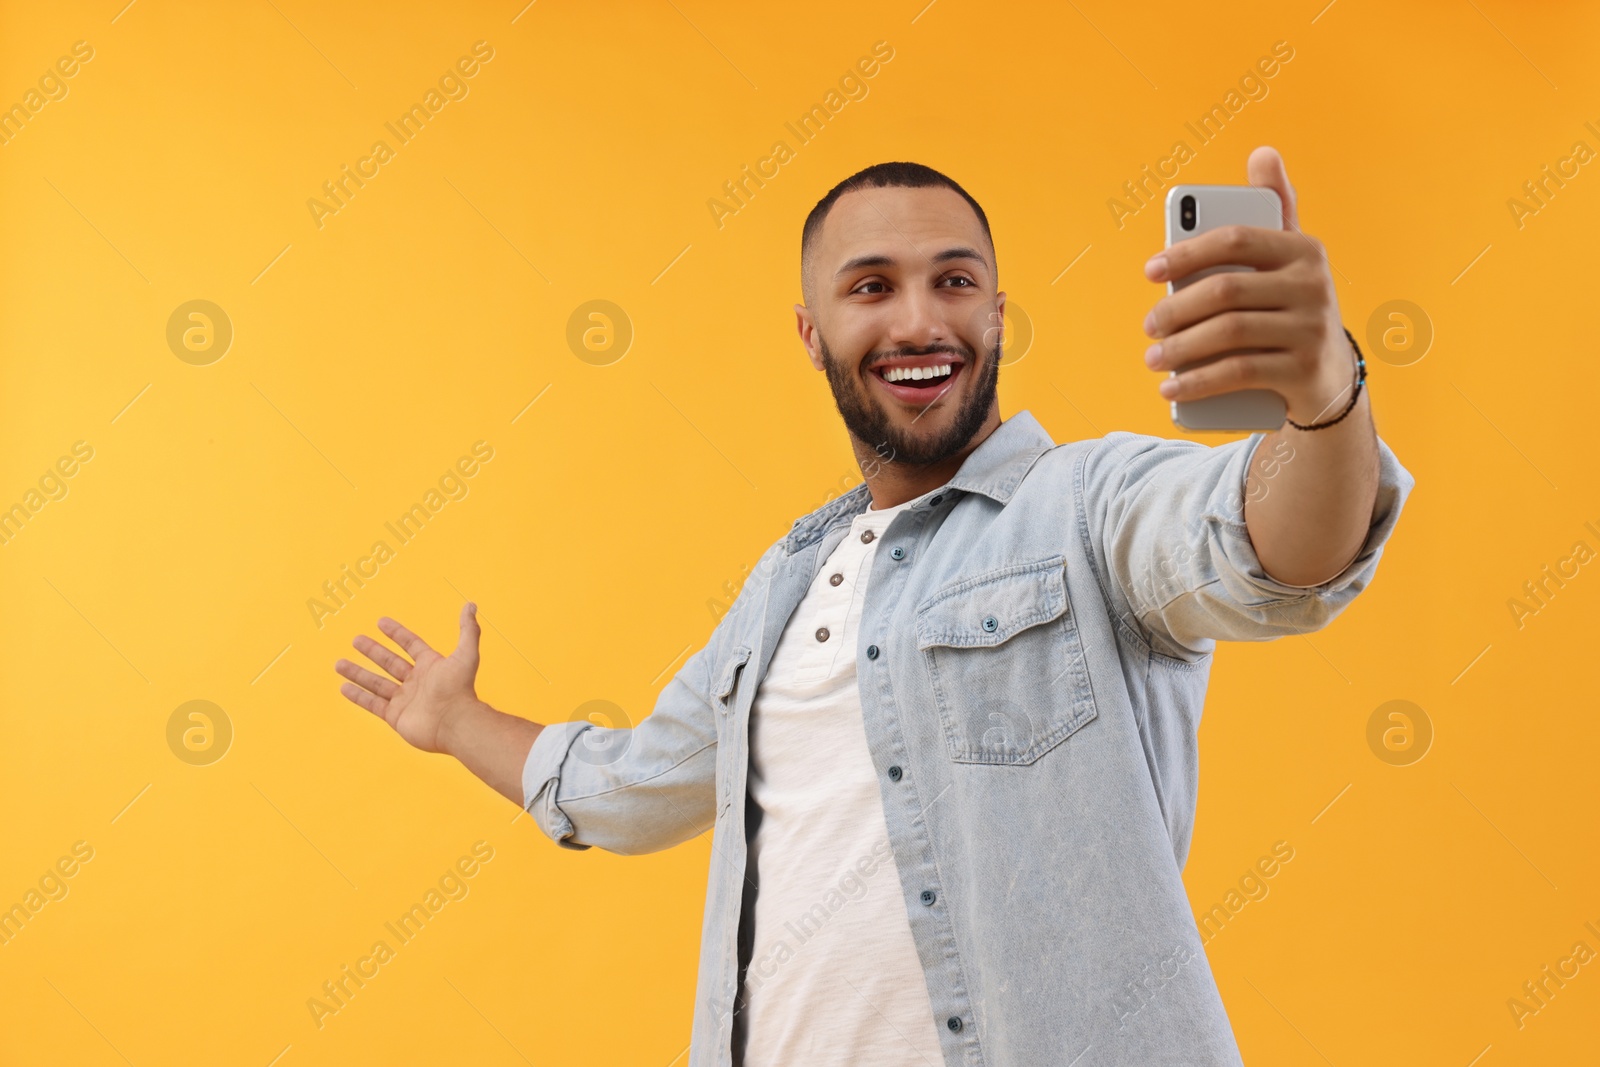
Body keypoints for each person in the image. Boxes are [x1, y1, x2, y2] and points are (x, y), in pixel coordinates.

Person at [334, 147, 1414, 1066]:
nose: (918, 320)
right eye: (870, 287)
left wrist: (1324, 395)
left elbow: (1272, 548)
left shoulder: (1085, 504)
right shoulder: (780, 586)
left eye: (953, 281)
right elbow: (628, 787)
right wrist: (452, 719)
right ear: (810, 332)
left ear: (996, 310)